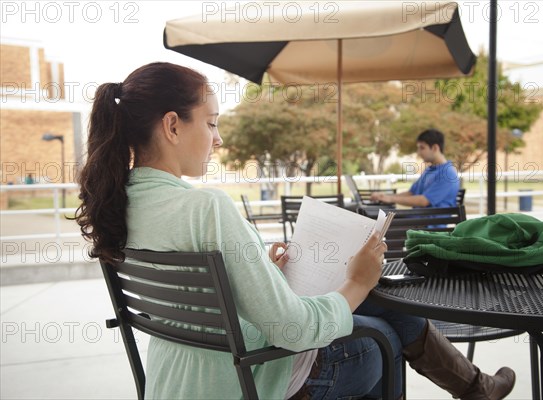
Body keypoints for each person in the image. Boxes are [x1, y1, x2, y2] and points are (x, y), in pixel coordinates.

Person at [74, 62, 515, 400]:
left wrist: (257, 272)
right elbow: (292, 331)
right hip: (244, 376)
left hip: (178, 379)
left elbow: (196, 299)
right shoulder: (204, 207)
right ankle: (475, 388)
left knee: (378, 313)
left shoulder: (119, 202)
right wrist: (359, 280)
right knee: (382, 333)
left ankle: (476, 388)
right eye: (211, 122)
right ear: (172, 125)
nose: (219, 139)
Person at [370, 129, 459, 208]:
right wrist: (384, 197)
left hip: (429, 224)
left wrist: (391, 199)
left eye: (422, 148)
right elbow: (411, 193)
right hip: (417, 219)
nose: (419, 152)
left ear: (435, 148)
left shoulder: (448, 173)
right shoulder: (430, 170)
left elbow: (424, 201)